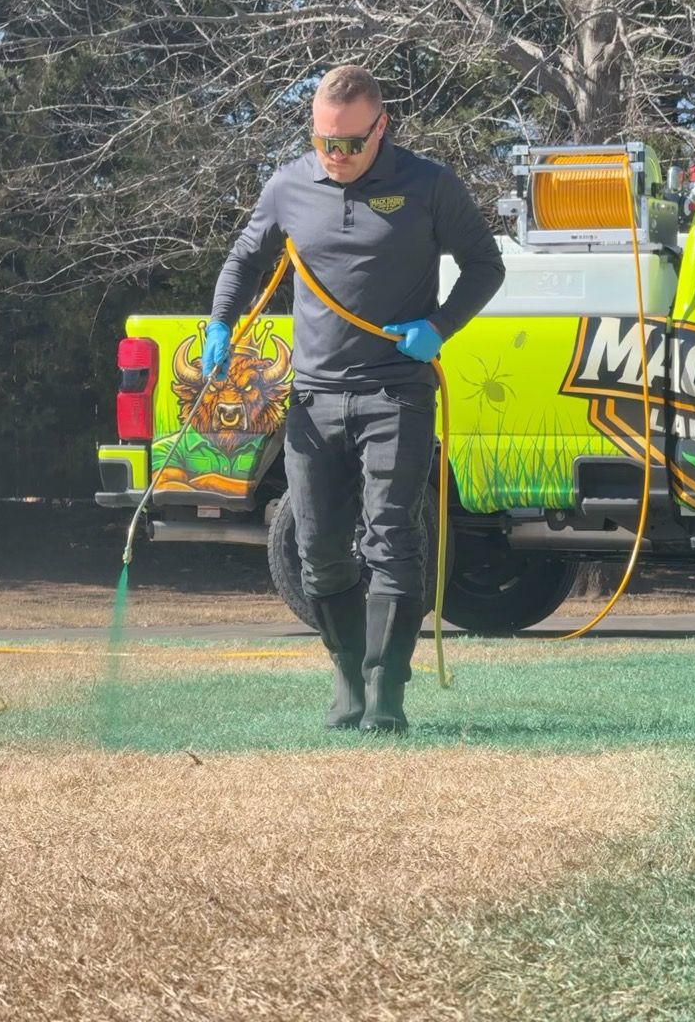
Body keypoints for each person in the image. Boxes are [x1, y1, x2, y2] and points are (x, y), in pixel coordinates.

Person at [203, 65, 505, 733]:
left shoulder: (428, 186)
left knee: (393, 538)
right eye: (323, 143)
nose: (334, 157)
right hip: (313, 400)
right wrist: (221, 321)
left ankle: (386, 691)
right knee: (318, 547)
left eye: (349, 145)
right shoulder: (289, 185)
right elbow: (243, 259)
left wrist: (439, 327)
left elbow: (486, 266)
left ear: (381, 128)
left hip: (396, 394)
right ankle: (345, 671)